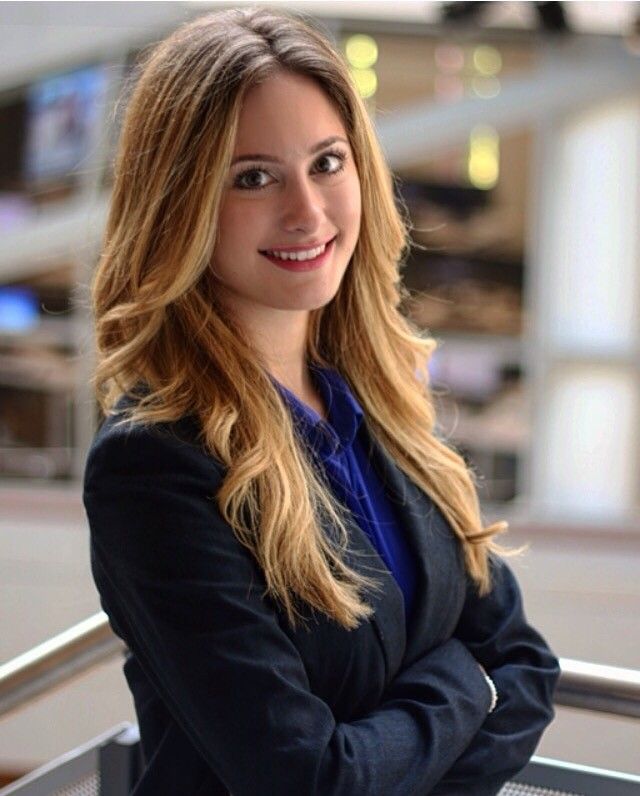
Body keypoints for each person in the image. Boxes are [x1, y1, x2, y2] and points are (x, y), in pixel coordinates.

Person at [83, 7, 560, 795]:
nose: (307, 212)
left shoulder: (381, 396)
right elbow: (306, 780)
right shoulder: (154, 462)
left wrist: (428, 743)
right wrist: (464, 685)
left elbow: (525, 662)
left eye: (327, 163)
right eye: (253, 177)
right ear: (180, 203)